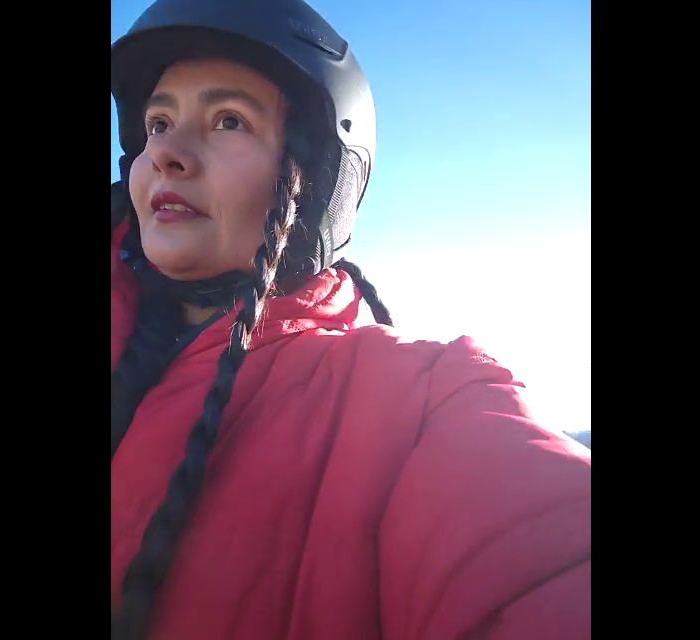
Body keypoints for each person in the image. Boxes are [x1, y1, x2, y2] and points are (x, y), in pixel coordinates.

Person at [110, 1, 591, 638]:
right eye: (158, 122)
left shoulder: (414, 402)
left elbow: (540, 558)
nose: (167, 152)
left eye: (229, 120)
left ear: (315, 185)